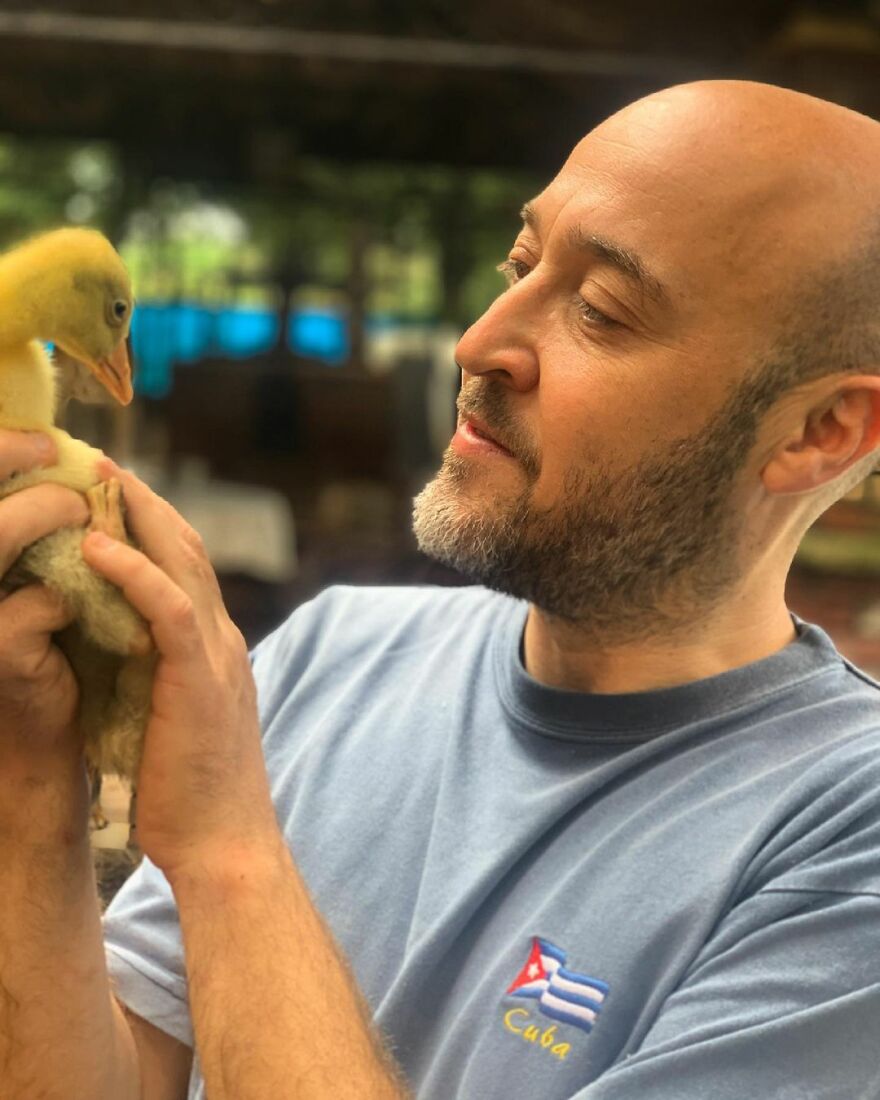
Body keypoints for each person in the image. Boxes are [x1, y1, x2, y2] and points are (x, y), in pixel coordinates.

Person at [3, 77, 880, 1100]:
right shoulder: (332, 651)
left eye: (598, 309)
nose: (480, 341)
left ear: (821, 433)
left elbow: (223, 844)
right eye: (519, 262)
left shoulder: (839, 836)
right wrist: (31, 774)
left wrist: (229, 845)